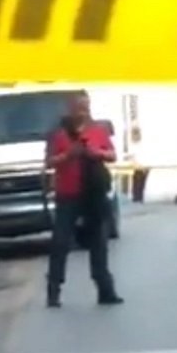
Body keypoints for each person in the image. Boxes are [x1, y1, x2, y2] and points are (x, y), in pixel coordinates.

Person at [45, 92, 123, 308]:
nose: (84, 110)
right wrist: (70, 154)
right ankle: (53, 291)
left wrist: (94, 152)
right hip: (68, 194)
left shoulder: (98, 129)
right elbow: (49, 161)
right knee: (60, 243)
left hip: (94, 194)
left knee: (99, 243)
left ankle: (105, 291)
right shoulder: (58, 133)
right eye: (79, 106)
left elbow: (111, 155)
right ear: (69, 107)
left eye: (86, 105)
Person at [129, 124, 151, 203]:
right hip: (137, 166)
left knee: (141, 183)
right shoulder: (133, 144)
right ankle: (137, 197)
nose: (135, 136)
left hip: (143, 166)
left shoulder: (142, 144)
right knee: (137, 182)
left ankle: (139, 197)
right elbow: (132, 157)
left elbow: (146, 155)